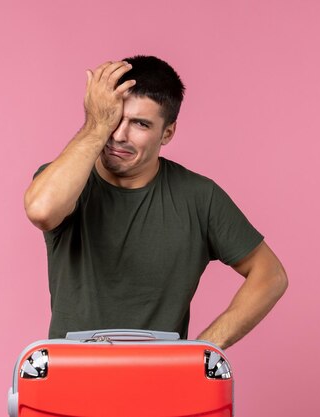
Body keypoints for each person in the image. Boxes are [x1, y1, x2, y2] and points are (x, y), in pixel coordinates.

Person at [24, 55, 287, 349]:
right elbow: (42, 211)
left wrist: (202, 350)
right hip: (70, 379)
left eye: (140, 124)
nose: (119, 135)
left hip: (162, 382)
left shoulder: (199, 197)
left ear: (168, 133)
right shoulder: (67, 181)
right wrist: (97, 124)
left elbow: (271, 275)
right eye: (113, 118)